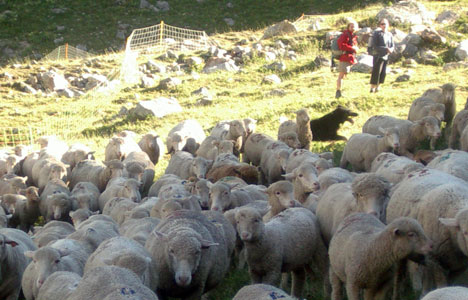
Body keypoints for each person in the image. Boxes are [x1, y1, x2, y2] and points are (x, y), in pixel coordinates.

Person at [370, 18, 394, 93]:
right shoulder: (377, 34)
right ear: (380, 25)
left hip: (386, 55)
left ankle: (378, 86)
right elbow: (375, 46)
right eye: (382, 24)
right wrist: (386, 49)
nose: (384, 25)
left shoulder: (390, 34)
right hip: (378, 55)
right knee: (376, 71)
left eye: (385, 24)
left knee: (383, 72)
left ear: (388, 24)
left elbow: (392, 45)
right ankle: (372, 87)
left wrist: (391, 50)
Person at [335, 21, 359, 99]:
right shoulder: (345, 35)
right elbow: (341, 45)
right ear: (348, 27)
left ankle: (340, 92)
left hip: (350, 58)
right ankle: (338, 92)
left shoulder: (353, 36)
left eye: (354, 26)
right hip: (345, 57)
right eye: (351, 26)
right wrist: (352, 48)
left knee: (343, 75)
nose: (353, 28)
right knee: (341, 75)